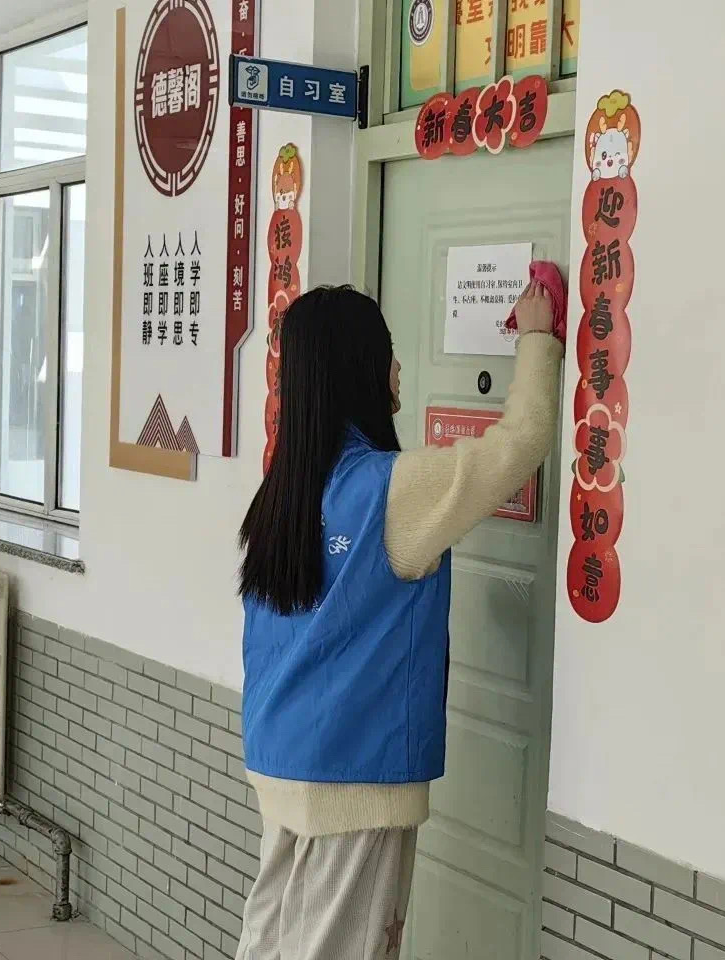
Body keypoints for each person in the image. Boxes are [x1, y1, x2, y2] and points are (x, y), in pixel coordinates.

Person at [234, 281, 561, 959]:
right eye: (388, 353)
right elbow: (521, 443)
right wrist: (537, 336)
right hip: (353, 776)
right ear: (359, 367)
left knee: (271, 943)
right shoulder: (392, 489)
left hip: (282, 758)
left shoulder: (282, 491)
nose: (400, 368)